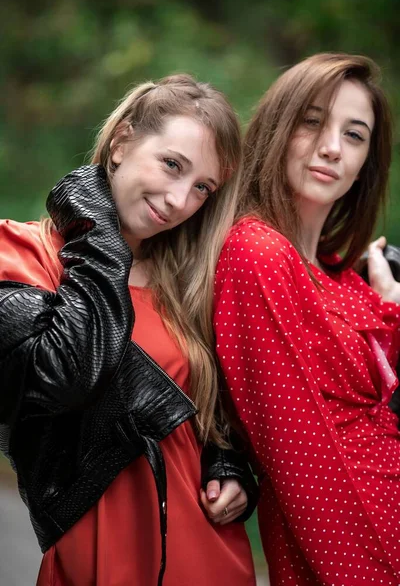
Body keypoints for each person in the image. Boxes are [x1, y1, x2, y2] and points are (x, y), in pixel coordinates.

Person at [0, 74, 257, 585]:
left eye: (203, 188)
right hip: (97, 557)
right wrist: (96, 230)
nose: (181, 200)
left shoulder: (189, 287)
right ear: (120, 144)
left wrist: (230, 465)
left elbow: (219, 410)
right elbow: (66, 376)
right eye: (172, 165)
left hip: (210, 559)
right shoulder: (21, 253)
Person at [213, 53, 400, 585]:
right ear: (277, 127)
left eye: (355, 134)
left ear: (368, 160)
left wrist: (391, 311)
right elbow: (298, 454)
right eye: (312, 121)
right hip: (351, 547)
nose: (332, 147)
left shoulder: (345, 278)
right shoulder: (257, 253)